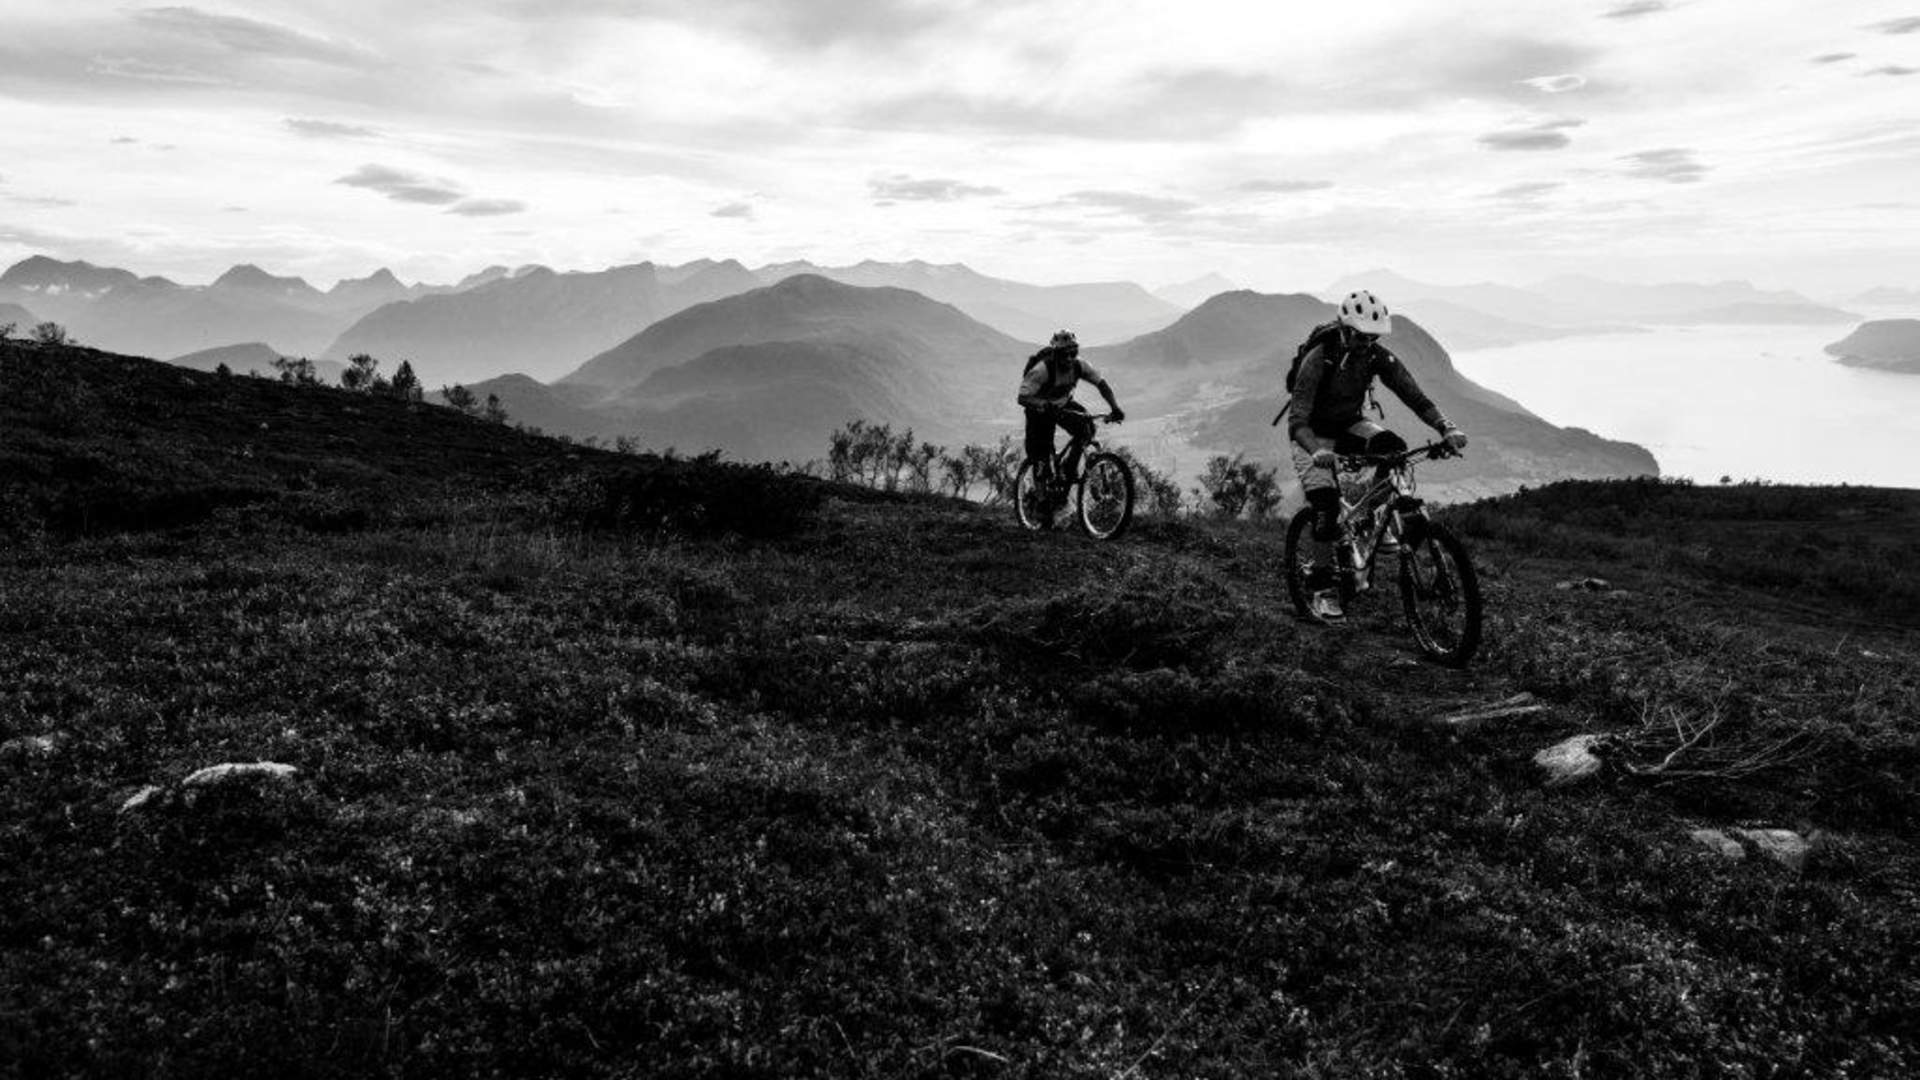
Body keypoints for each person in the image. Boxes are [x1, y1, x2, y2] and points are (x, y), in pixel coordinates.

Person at [1288, 290, 1468, 616]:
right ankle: (1322, 587)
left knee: (1394, 449)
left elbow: (1415, 396)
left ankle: (1371, 519)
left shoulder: (1374, 355)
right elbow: (1297, 420)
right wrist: (1316, 451)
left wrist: (1446, 427)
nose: (1366, 343)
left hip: (1348, 425)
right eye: (1361, 336)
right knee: (1326, 507)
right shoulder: (1319, 357)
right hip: (1311, 435)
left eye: (1373, 337)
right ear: (1345, 330)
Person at [1017, 329, 1124, 486]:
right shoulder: (1042, 370)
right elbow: (1022, 397)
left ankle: (1069, 468)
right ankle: (1039, 492)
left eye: (1072, 353)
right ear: (1055, 354)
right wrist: (1042, 405)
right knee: (1041, 456)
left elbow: (1102, 384)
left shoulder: (1079, 365)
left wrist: (1115, 408)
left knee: (1086, 429)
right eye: (1063, 354)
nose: (1068, 358)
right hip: (1039, 411)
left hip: (1063, 405)